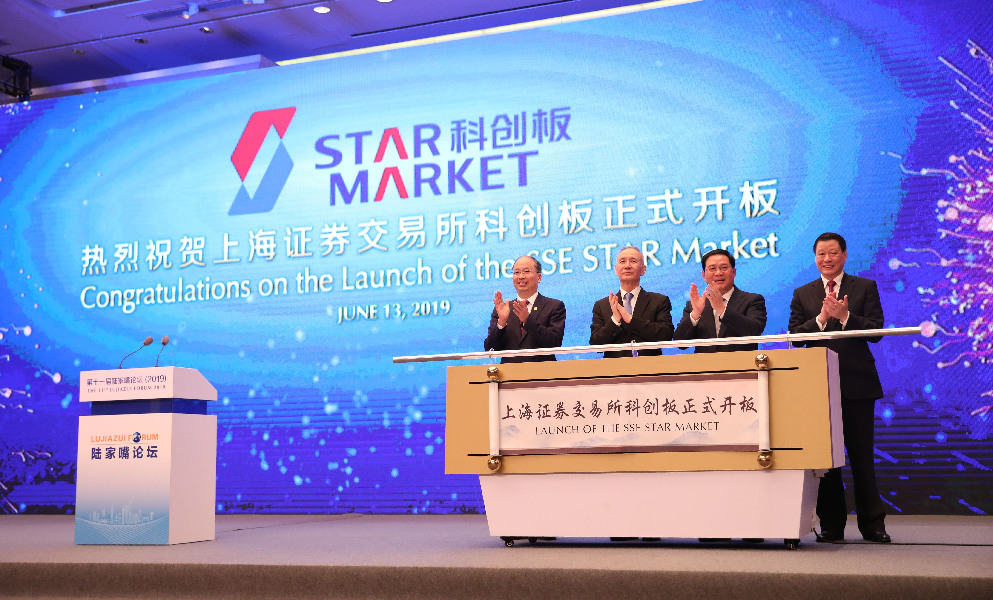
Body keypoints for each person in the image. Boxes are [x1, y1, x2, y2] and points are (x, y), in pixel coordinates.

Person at [788, 232, 890, 544]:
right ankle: (832, 525)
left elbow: (876, 332)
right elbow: (795, 336)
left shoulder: (864, 287)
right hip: (818, 387)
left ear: (844, 255)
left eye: (833, 252)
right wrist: (821, 319)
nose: (827, 258)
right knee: (826, 461)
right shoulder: (803, 293)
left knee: (862, 458)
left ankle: (872, 525)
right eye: (821, 253)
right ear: (815, 258)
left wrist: (846, 317)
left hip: (858, 384)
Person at [673, 249, 767, 352]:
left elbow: (754, 331)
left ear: (734, 272)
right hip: (706, 362)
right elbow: (680, 343)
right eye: (712, 268)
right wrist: (695, 314)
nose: (718, 273)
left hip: (741, 361)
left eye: (724, 268)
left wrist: (722, 309)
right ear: (704, 275)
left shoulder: (752, 300)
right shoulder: (695, 305)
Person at [590, 246, 673, 358]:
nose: (627, 266)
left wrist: (631, 320)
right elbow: (596, 344)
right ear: (616, 269)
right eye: (622, 261)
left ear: (643, 269)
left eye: (633, 261)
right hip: (615, 368)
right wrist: (615, 321)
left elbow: (666, 335)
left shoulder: (659, 301)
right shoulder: (602, 305)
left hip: (650, 366)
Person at [484, 255, 566, 363]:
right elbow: (491, 348)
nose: (521, 276)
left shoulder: (554, 306)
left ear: (539, 277)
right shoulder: (504, 309)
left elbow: (554, 343)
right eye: (516, 272)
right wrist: (501, 323)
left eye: (526, 271)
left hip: (543, 371)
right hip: (510, 372)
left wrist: (528, 320)